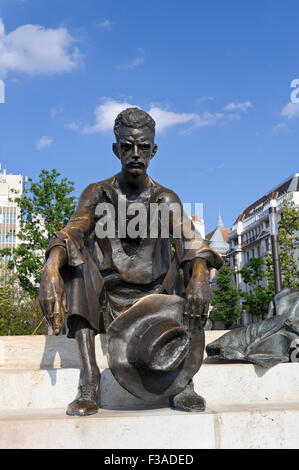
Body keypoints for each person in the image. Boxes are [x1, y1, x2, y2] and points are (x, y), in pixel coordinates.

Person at [39, 108, 223, 416]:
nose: (135, 154)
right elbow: (73, 232)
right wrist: (51, 268)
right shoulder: (98, 193)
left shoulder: (165, 198)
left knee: (190, 265)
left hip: (157, 301)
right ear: (116, 150)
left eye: (143, 147)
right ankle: (89, 380)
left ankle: (182, 381)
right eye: (127, 146)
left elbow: (193, 244)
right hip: (106, 300)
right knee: (75, 262)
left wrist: (201, 276)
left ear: (154, 149)